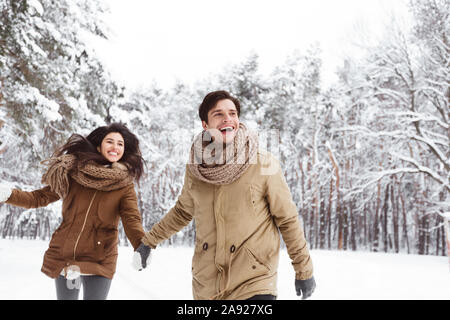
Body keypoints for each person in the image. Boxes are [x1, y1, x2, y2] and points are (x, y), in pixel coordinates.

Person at [134, 90, 315, 300]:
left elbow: (287, 218)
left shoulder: (263, 163)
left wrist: (303, 270)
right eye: (218, 114)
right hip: (207, 285)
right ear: (205, 125)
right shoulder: (196, 168)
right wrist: (149, 241)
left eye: (232, 113)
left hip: (254, 282)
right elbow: (183, 211)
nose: (227, 119)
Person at [0, 122, 147, 300]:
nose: (115, 147)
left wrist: (141, 246)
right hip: (68, 257)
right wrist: (8, 194)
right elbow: (38, 198)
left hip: (100, 257)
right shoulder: (74, 173)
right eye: (110, 141)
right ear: (99, 146)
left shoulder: (124, 185)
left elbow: (132, 219)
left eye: (120, 144)